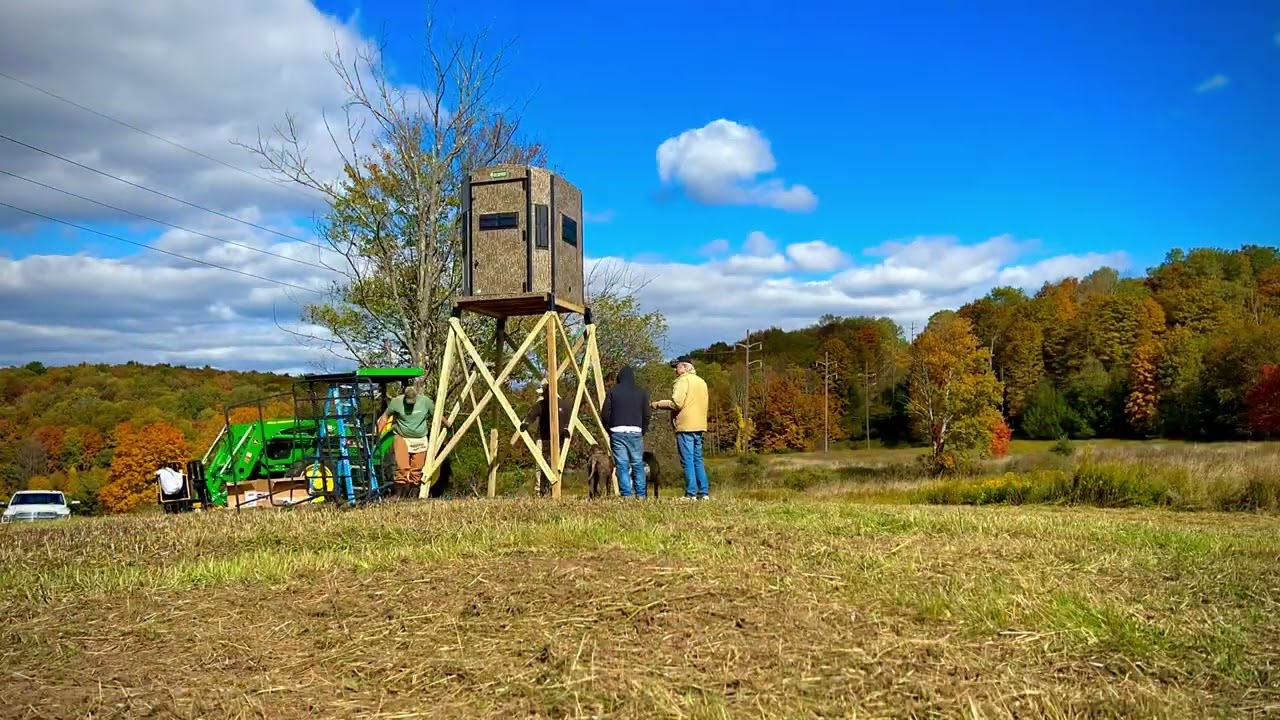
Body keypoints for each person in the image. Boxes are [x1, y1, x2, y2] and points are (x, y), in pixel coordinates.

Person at [651, 357, 710, 500]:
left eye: (676, 367)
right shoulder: (701, 382)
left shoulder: (683, 381)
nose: (675, 370)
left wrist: (658, 404)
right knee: (698, 459)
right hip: (700, 424)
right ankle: (704, 492)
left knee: (687, 460)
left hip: (686, 425)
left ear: (684, 367)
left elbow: (677, 402)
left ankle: (691, 493)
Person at [514, 382, 576, 496]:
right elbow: (531, 416)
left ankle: (554, 490)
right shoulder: (540, 405)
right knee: (540, 466)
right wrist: (526, 424)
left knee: (556, 466)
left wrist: (566, 430)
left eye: (545, 393)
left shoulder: (564, 405)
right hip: (542, 439)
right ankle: (540, 491)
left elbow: (569, 420)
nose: (545, 395)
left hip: (557, 440)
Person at [376, 385, 437, 499]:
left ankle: (413, 495)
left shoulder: (426, 402)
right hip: (402, 436)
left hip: (420, 439)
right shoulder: (396, 402)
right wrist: (377, 434)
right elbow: (385, 417)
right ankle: (399, 494)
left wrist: (447, 423)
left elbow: (436, 415)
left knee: (417, 469)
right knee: (402, 467)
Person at [601, 366, 651, 498]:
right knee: (637, 463)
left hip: (617, 431)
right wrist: (643, 429)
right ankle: (641, 495)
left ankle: (626, 494)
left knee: (622, 464)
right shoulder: (641, 392)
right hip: (635, 431)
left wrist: (609, 428)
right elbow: (647, 414)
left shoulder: (613, 391)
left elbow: (605, 414)